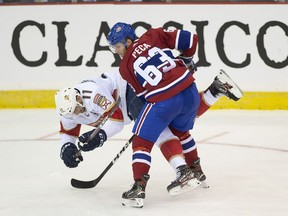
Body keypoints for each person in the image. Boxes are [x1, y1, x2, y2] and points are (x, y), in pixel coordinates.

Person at [55, 68, 242, 206]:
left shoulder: (92, 95)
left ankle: (182, 170)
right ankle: (214, 91)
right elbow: (68, 133)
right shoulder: (68, 110)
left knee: (156, 130)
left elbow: (117, 121)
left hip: (129, 90)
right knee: (176, 124)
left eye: (78, 108)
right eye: (74, 112)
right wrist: (67, 149)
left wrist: (99, 137)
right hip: (129, 102)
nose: (78, 113)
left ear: (79, 98)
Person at [106, 22, 243, 208]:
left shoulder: (124, 69)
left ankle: (138, 187)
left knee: (141, 141)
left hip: (164, 99)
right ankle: (195, 170)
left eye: (118, 46)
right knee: (179, 131)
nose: (117, 52)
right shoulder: (153, 35)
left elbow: (144, 96)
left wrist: (149, 123)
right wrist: (187, 60)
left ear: (128, 40)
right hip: (190, 90)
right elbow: (191, 39)